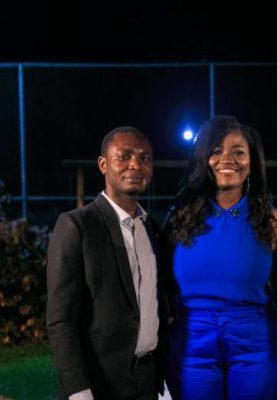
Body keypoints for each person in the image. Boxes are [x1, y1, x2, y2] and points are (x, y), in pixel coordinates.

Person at [163, 115, 277, 400]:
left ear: (252, 162)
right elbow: (162, 288)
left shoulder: (271, 223)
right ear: (203, 159)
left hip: (256, 343)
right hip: (192, 341)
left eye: (238, 152)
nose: (227, 160)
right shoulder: (178, 220)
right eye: (216, 151)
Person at [46, 126, 168, 400]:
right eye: (123, 156)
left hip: (148, 382)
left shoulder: (152, 229)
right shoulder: (77, 225)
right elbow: (61, 320)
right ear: (103, 164)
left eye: (145, 158)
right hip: (98, 385)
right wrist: (78, 391)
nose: (135, 165)